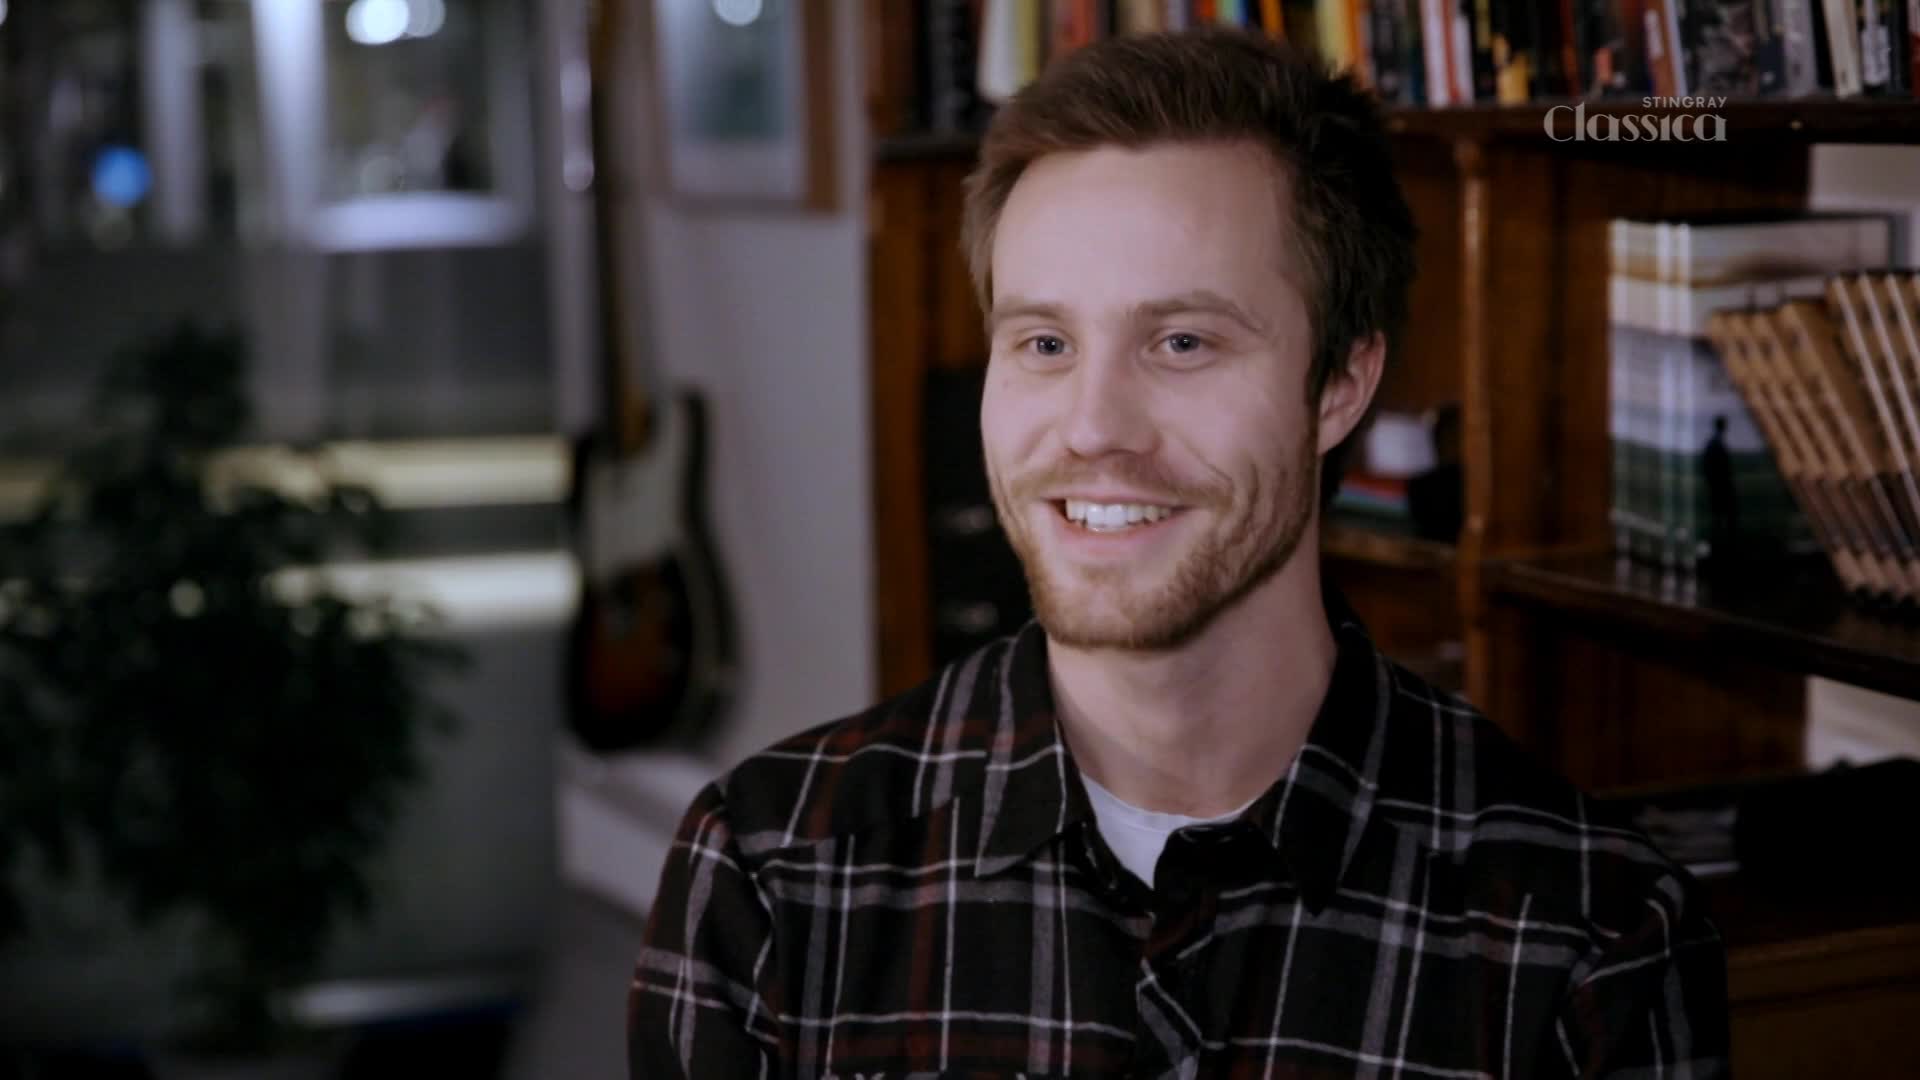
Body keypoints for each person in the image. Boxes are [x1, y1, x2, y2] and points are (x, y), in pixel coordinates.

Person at [629, 29, 1728, 1079]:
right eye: (1045, 344)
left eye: (1184, 342)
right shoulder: (771, 877)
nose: (1095, 425)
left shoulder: (1592, 930)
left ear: (1340, 382)